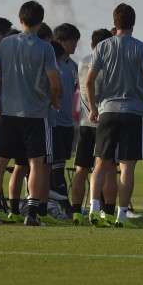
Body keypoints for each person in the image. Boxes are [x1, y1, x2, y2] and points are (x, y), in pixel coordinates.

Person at [0, 0, 60, 227]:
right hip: (35, 114)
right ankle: (32, 213)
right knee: (35, 164)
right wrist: (53, 100)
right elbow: (54, 83)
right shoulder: (45, 47)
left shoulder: (5, 44)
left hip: (10, 113)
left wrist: (6, 83)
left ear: (20, 19)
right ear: (41, 21)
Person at [86, 4, 143, 228]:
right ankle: (121, 215)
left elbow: (89, 80)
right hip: (132, 111)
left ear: (114, 21)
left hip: (107, 109)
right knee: (127, 167)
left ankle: (94, 208)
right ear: (133, 22)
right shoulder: (142, 47)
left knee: (101, 163)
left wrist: (92, 107)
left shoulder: (102, 46)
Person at [70, 28, 116, 224]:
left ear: (92, 45)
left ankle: (76, 211)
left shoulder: (83, 61)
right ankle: (107, 211)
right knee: (107, 169)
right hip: (104, 120)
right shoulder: (111, 63)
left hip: (85, 122)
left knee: (81, 168)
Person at [50, 23, 81, 218]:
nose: (75, 45)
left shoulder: (73, 65)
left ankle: (58, 204)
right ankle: (64, 205)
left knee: (59, 163)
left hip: (68, 122)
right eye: (72, 41)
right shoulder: (53, 63)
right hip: (54, 121)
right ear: (60, 41)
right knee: (55, 166)